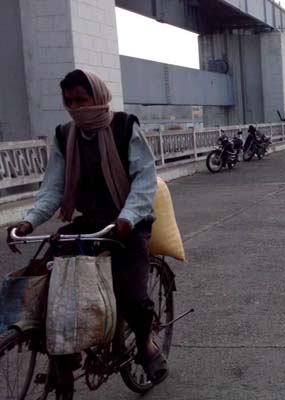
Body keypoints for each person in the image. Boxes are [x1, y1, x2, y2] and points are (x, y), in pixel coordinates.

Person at [5, 69, 166, 397]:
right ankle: (66, 358)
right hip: (90, 223)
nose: (75, 108)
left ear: (98, 96)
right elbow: (53, 188)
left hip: (127, 224)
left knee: (131, 293)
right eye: (68, 102)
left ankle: (147, 347)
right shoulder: (66, 135)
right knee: (50, 286)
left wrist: (128, 217)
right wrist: (29, 221)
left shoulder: (124, 127)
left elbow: (145, 179)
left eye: (81, 99)